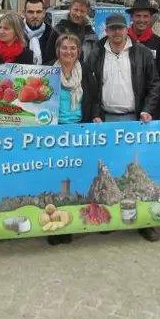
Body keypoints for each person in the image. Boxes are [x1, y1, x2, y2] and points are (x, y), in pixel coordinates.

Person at [87, 13, 160, 243]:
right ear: (106, 31)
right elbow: (90, 88)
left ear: (126, 29)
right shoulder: (97, 54)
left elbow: (154, 83)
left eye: (120, 28)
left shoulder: (142, 53)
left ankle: (143, 222)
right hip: (106, 120)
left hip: (134, 120)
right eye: (112, 29)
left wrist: (148, 109)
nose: (116, 32)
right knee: (108, 172)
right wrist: (95, 114)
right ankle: (109, 217)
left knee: (135, 175)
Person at [49, 33, 99, 246]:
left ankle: (75, 221)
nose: (68, 52)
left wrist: (96, 116)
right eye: (64, 48)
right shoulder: (47, 71)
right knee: (57, 179)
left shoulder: (85, 72)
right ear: (57, 50)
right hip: (54, 133)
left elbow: (95, 98)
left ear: (78, 51)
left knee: (77, 177)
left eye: (73, 48)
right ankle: (55, 227)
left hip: (80, 131)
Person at [126, 0, 160, 120]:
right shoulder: (122, 42)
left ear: (151, 18)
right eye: (138, 16)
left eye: (145, 16)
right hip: (127, 107)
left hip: (153, 109)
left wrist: (155, 106)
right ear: (132, 17)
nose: (141, 20)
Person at [43, 0, 97, 64]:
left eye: (82, 11)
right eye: (76, 10)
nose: (78, 14)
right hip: (60, 72)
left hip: (83, 73)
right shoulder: (59, 30)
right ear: (70, 8)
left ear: (87, 12)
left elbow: (94, 61)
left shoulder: (91, 35)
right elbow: (48, 58)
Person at [23, 0, 53, 65]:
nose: (35, 16)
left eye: (38, 12)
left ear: (44, 13)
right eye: (31, 12)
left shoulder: (52, 34)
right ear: (24, 13)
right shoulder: (15, 32)